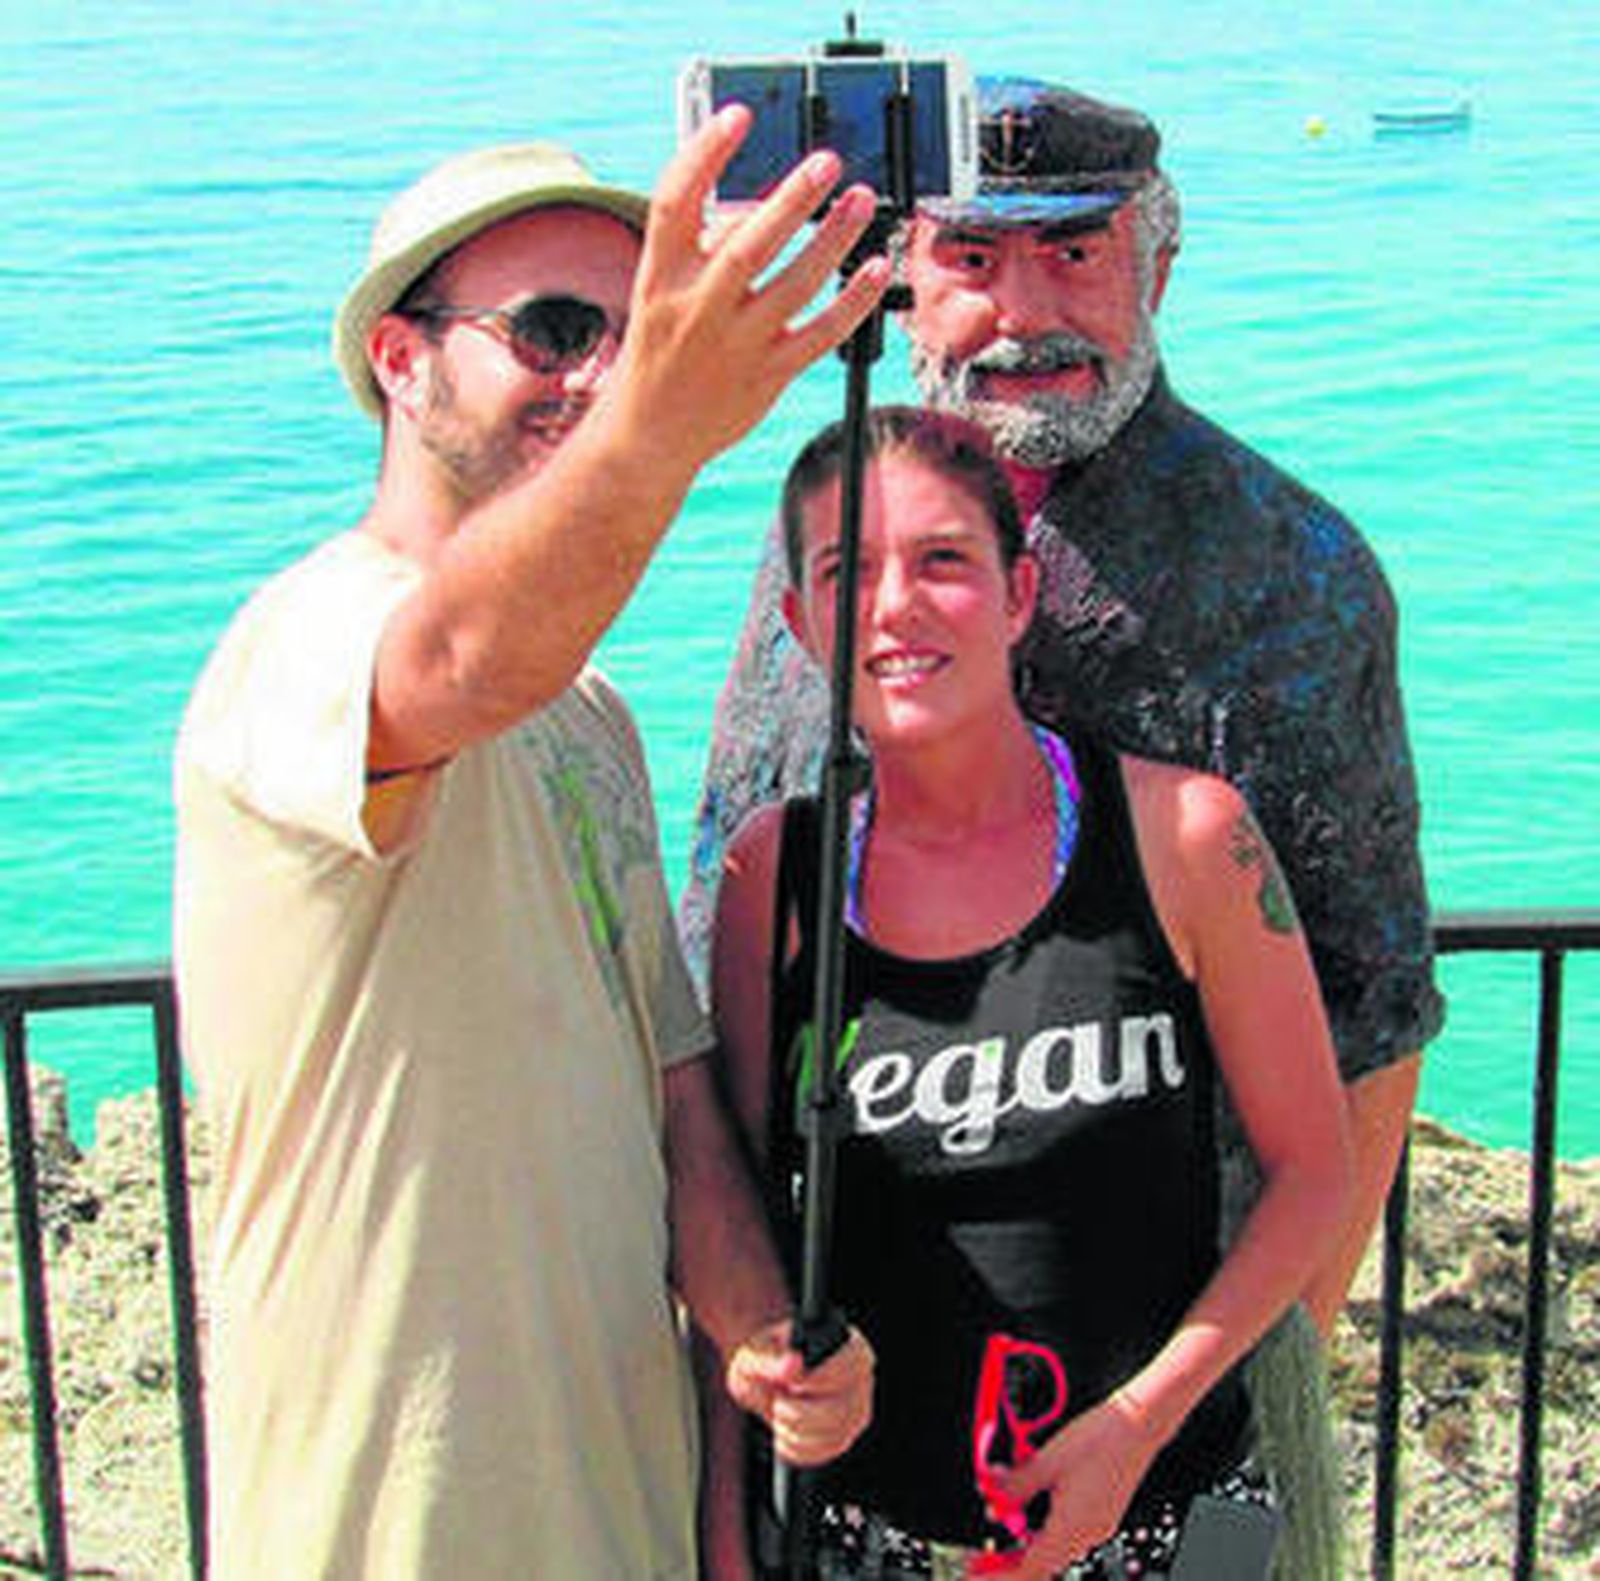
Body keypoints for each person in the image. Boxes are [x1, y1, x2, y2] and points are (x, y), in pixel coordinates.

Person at [683, 77, 1444, 1575]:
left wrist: (1244, 1373)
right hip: (875, 1391)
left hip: (1182, 1390)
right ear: (903, 281)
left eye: (1076, 253)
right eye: (971, 259)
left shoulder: (1294, 574)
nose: (1023, 309)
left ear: (1156, 264)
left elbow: (1372, 1009)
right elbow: (738, 961)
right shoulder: (835, 560)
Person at [172, 116, 891, 1577]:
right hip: (394, 1523)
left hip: (616, 1510)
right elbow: (450, 657)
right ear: (402, 358)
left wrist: (766, 1346)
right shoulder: (302, 639)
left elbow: (675, 1096)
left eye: (630, 342)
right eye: (554, 329)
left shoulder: (592, 714)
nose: (596, 378)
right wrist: (665, 423)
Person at [707, 406, 1354, 1579]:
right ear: (801, 624)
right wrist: (722, 1536)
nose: (894, 606)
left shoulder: (1184, 837)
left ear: (1017, 596)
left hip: (1161, 1517)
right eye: (847, 572)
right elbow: (734, 1230)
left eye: (941, 561)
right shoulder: (774, 879)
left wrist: (1134, 1425)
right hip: (870, 1540)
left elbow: (1312, 1175)